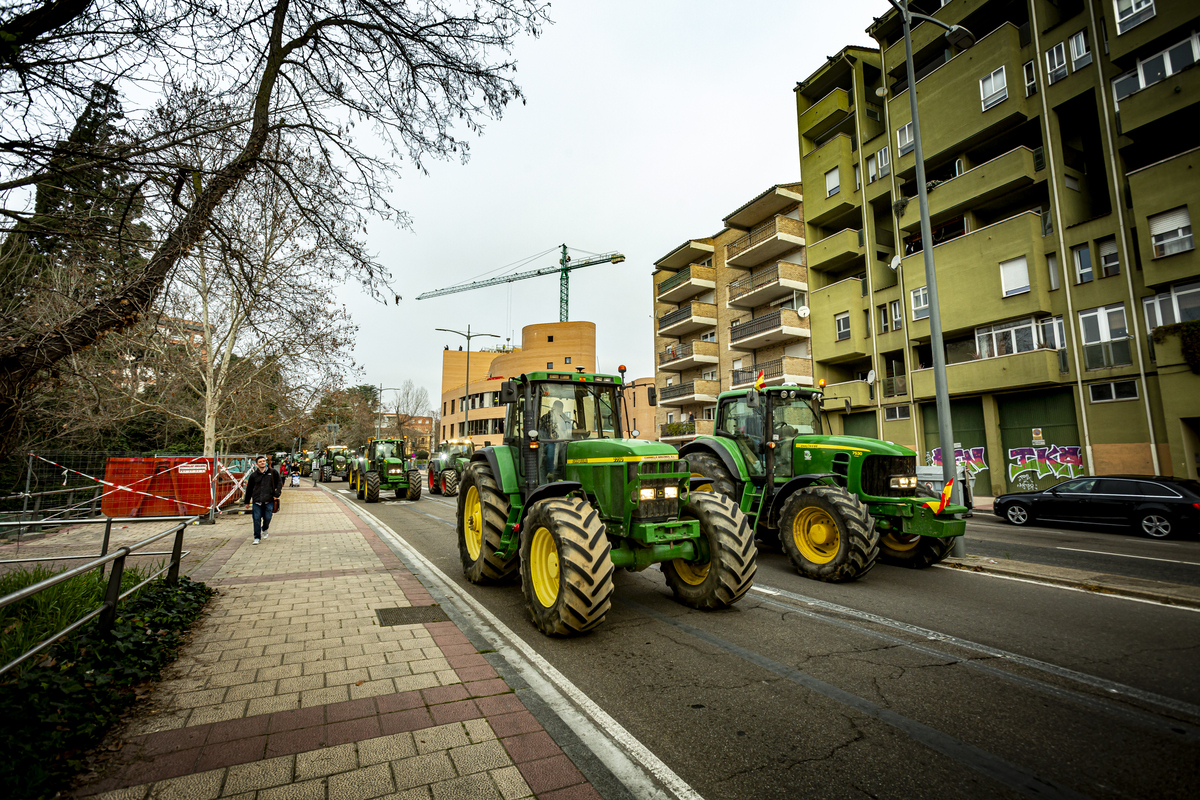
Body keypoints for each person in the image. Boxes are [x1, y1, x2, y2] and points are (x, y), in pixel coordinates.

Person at [243, 455, 281, 544]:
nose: (262, 463)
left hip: (269, 500)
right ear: (257, 464)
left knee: (267, 517)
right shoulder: (253, 476)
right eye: (260, 462)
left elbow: (279, 483)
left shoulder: (272, 472)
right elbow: (249, 489)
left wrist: (277, 494)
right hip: (257, 500)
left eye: (263, 461)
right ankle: (257, 537)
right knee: (256, 519)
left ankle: (265, 528)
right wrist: (247, 501)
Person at [538, 399, 572, 481]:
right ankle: (551, 471)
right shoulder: (546, 418)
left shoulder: (565, 419)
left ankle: (566, 472)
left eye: (561, 408)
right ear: (554, 407)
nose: (559, 410)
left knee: (568, 452)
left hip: (563, 442)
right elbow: (540, 431)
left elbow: (570, 429)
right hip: (548, 442)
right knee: (550, 451)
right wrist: (549, 437)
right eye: (557, 408)